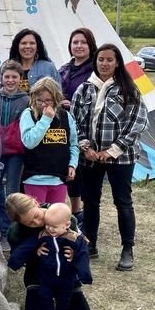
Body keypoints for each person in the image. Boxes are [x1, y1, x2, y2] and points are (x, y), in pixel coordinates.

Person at [71, 44, 148, 271]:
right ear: (95, 62)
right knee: (90, 200)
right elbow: (74, 121)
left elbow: (138, 122)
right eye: (101, 59)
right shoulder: (84, 89)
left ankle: (127, 248)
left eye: (109, 60)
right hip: (90, 156)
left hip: (121, 157)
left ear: (117, 63)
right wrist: (85, 147)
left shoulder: (128, 89)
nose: (104, 64)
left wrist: (112, 150)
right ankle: (91, 243)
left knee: (122, 201)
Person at [5, 193, 92, 310]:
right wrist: (35, 253)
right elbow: (19, 257)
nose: (37, 223)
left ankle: (63, 301)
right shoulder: (15, 232)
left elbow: (81, 245)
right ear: (19, 222)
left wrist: (74, 254)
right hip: (38, 277)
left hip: (66, 276)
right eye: (29, 223)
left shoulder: (63, 215)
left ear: (36, 203)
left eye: (36, 216)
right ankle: (46, 299)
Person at [58, 27, 98, 221]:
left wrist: (72, 104)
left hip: (86, 127)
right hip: (64, 125)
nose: (79, 46)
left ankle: (81, 212)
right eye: (75, 42)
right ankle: (72, 211)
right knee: (69, 168)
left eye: (83, 42)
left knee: (83, 171)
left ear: (91, 45)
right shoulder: (64, 69)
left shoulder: (95, 70)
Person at [19, 77, 78, 205]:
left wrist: (72, 164)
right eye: (39, 100)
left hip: (59, 178)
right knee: (37, 216)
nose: (43, 104)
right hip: (34, 178)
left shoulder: (65, 116)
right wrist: (45, 120)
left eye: (48, 101)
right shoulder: (28, 114)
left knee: (56, 216)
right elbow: (29, 142)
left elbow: (73, 144)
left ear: (56, 99)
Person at [0, 60, 28, 196]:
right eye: (7, 77)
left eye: (14, 77)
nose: (10, 80)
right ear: (1, 78)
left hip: (16, 153)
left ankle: (12, 211)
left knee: (12, 188)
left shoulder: (26, 100)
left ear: (20, 78)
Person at [0, 29, 60, 94]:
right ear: (17, 46)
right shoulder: (6, 66)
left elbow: (58, 94)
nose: (28, 46)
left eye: (32, 43)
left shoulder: (48, 67)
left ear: (37, 46)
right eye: (24, 43)